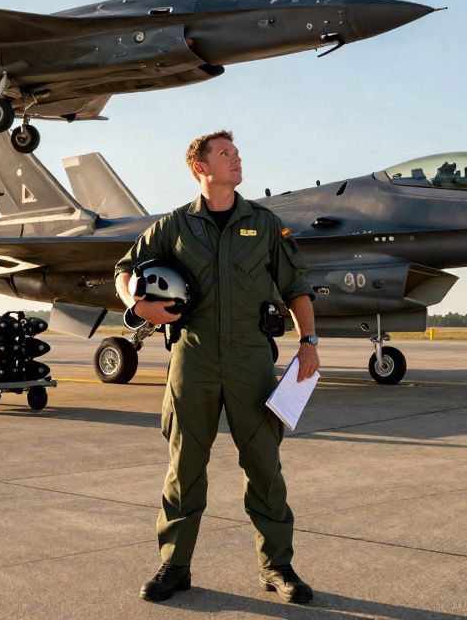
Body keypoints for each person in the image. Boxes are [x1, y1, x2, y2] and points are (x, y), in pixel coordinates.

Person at [114, 130, 319, 605]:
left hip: (251, 357)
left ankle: (277, 567)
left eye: (237, 152)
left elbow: (297, 286)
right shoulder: (174, 226)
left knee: (264, 466)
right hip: (194, 355)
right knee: (185, 465)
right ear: (200, 168)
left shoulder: (264, 225)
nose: (237, 158)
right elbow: (126, 269)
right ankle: (175, 566)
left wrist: (308, 342)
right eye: (225, 154)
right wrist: (136, 306)